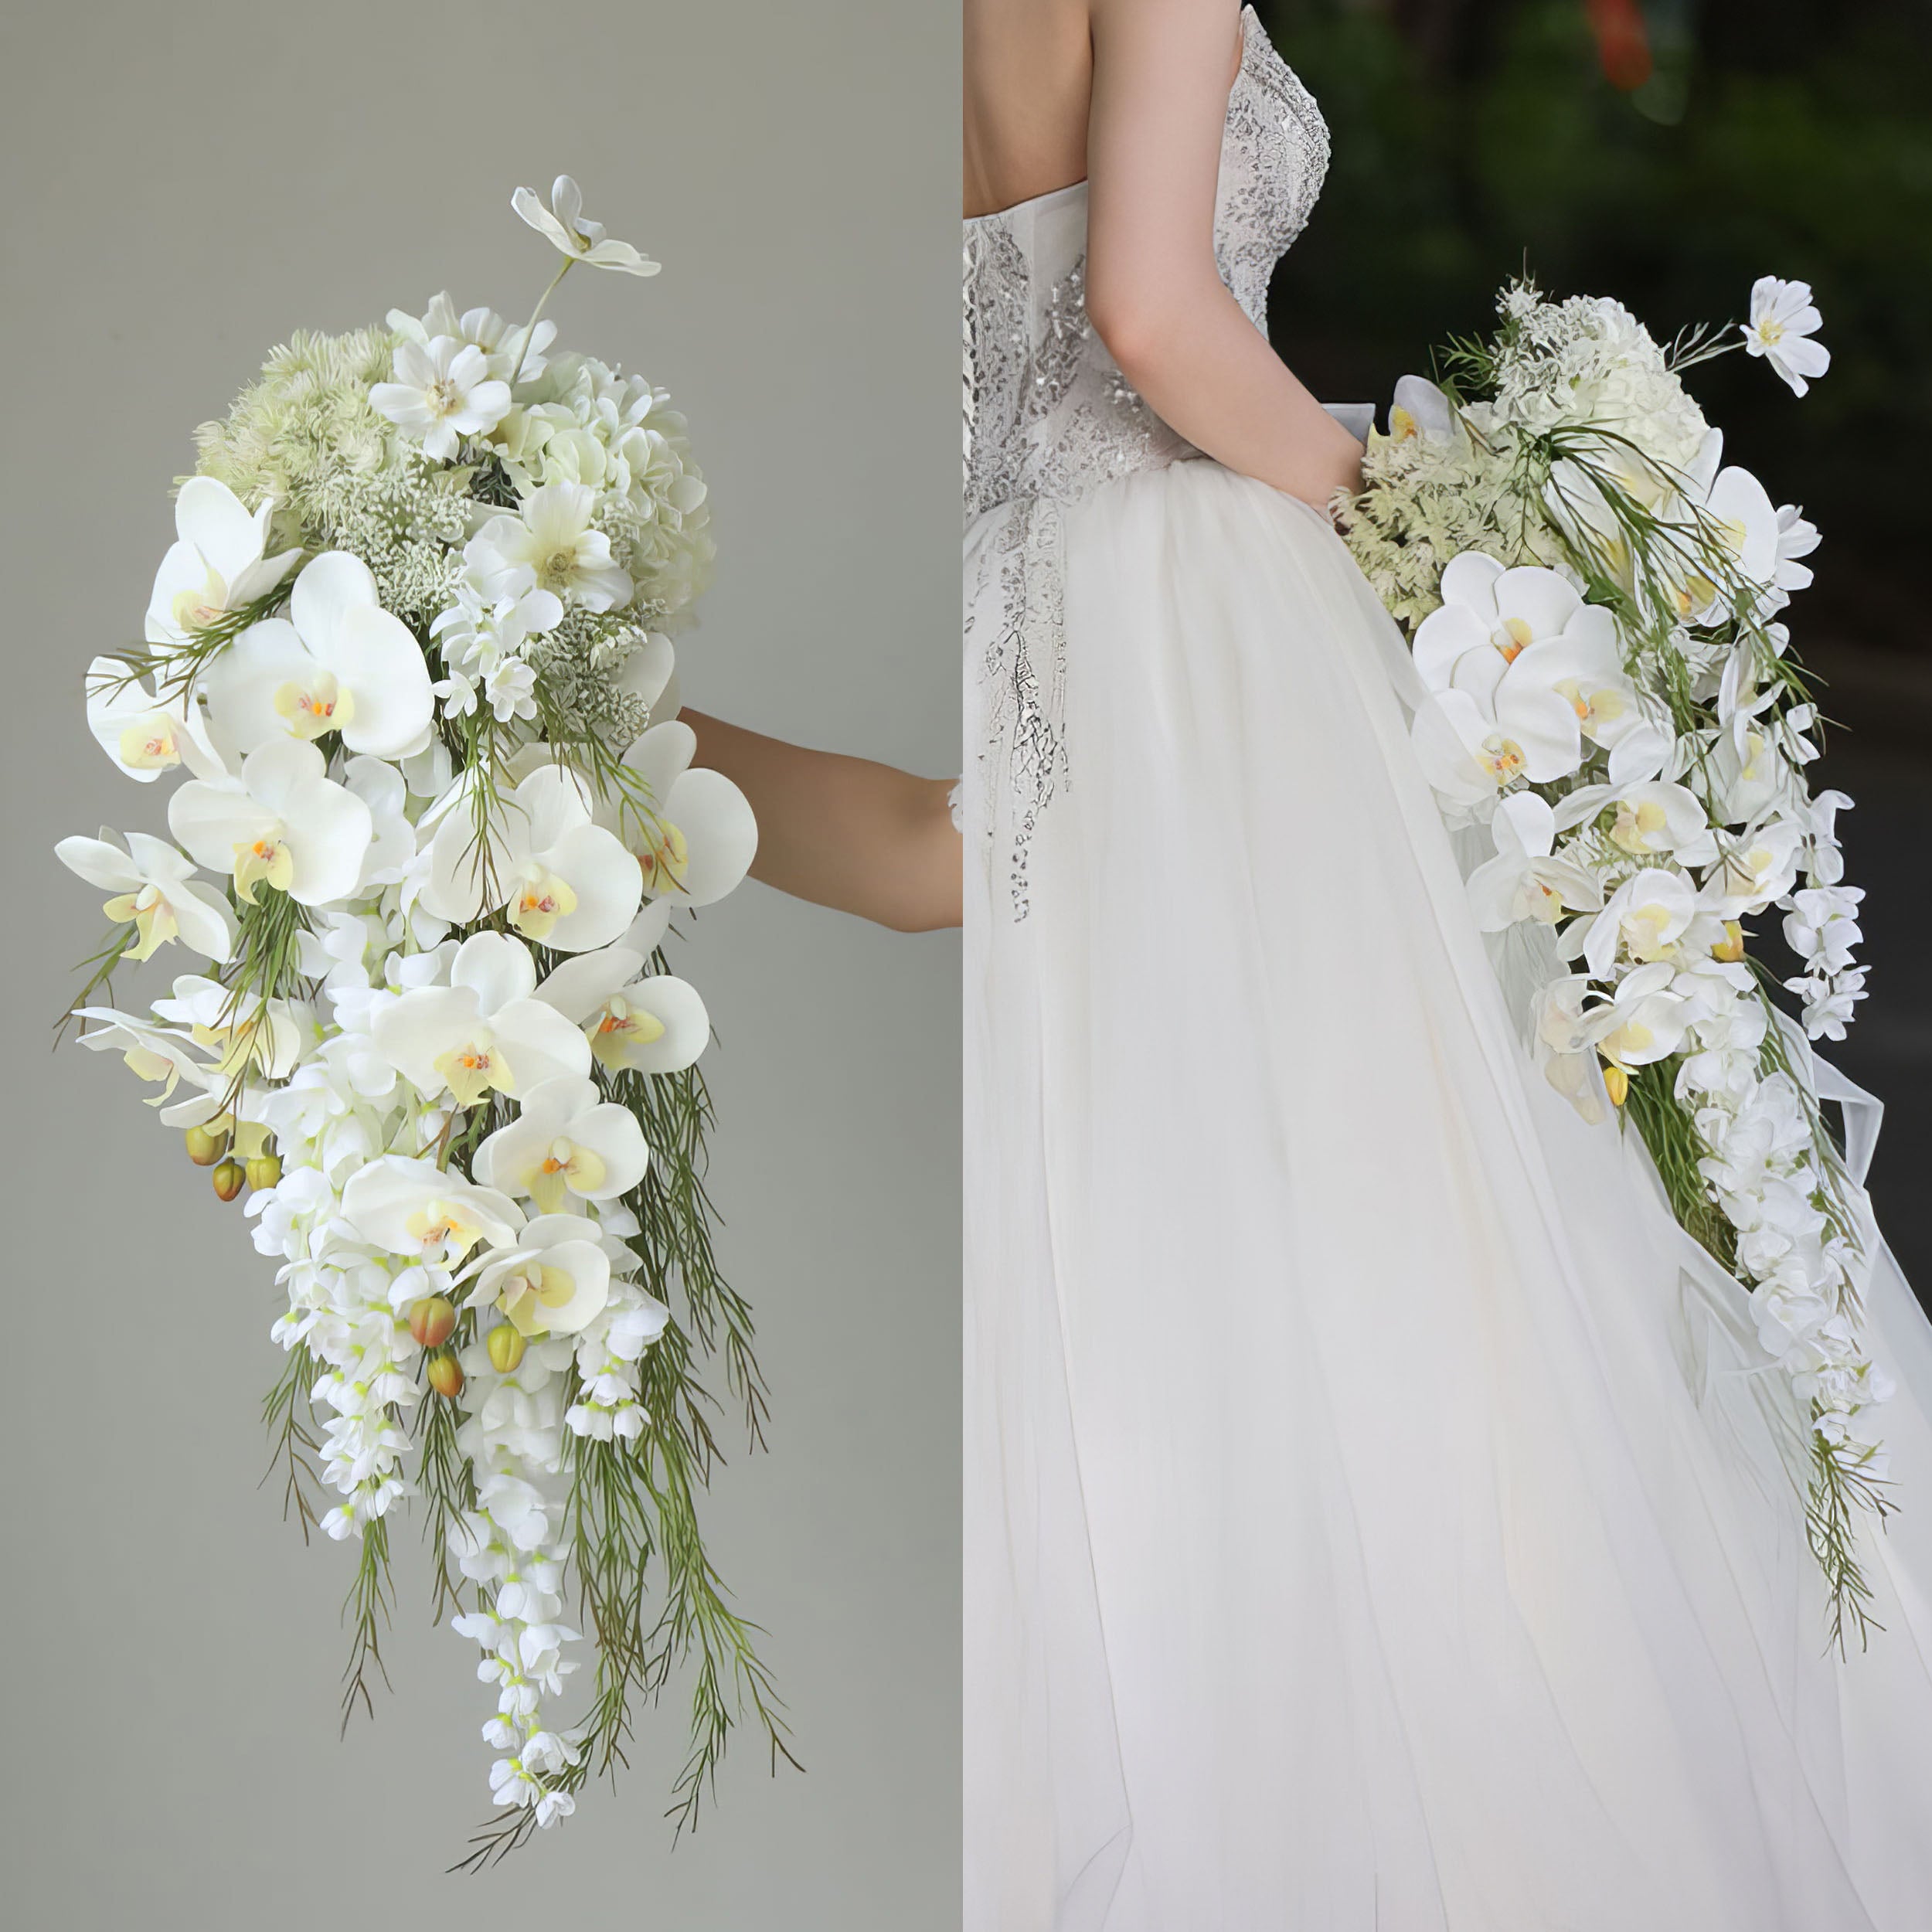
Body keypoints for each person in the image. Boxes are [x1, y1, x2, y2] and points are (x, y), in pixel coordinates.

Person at [694, 0, 1932, 1923]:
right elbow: (1149, 310)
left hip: (1030, 565)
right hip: (1216, 584)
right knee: (1417, 1272)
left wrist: (630, 748)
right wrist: (1426, 536)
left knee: (1149, 1283)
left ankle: (613, 745)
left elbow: (934, 868)